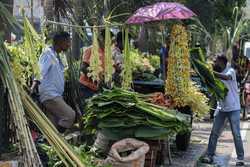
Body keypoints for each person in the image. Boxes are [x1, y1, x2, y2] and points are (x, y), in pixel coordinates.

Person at [202, 55, 244, 166]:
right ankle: (209, 156)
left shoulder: (230, 71)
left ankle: (240, 158)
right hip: (221, 108)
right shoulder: (216, 71)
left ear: (222, 62)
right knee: (214, 133)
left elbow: (226, 78)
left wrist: (210, 72)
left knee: (236, 134)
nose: (214, 63)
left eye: (216, 61)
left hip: (233, 108)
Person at [31, 31, 76, 133]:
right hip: (50, 95)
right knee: (70, 115)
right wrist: (33, 87)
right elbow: (40, 71)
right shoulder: (48, 53)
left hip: (55, 94)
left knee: (53, 124)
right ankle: (59, 138)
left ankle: (51, 145)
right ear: (60, 42)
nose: (69, 45)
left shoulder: (56, 55)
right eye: (67, 42)